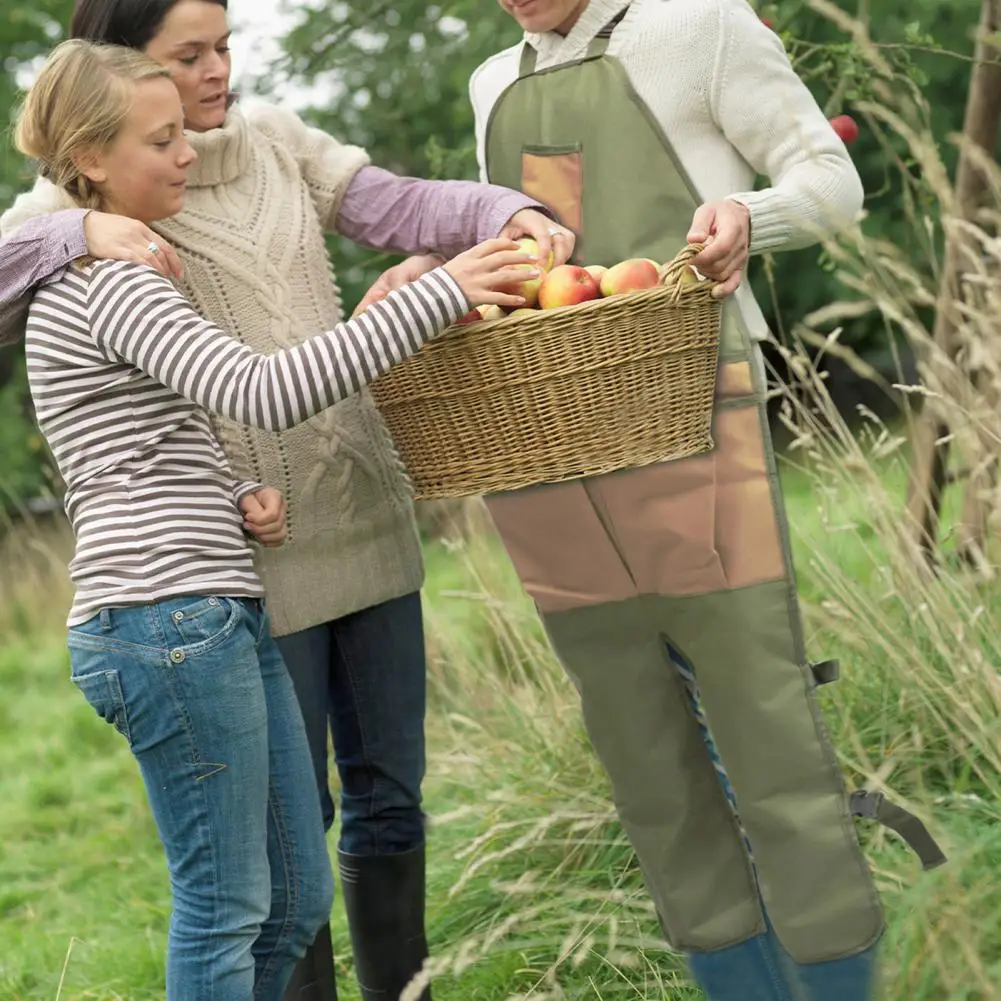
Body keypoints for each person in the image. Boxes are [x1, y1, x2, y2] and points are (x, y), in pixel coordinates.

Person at [0, 2, 576, 998]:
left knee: (337, 844)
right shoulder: (95, 248)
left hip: (280, 545)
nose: (214, 80)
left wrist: (499, 217)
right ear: (113, 98)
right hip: (207, 593)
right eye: (187, 64)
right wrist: (83, 223)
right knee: (255, 877)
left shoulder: (254, 160)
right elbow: (247, 387)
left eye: (225, 49)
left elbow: (403, 208)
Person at [448, 1, 945, 999]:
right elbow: (549, 255)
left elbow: (830, 184)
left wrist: (745, 220)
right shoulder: (490, 83)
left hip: (694, 410)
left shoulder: (701, 26)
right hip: (553, 441)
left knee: (768, 735)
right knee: (644, 761)